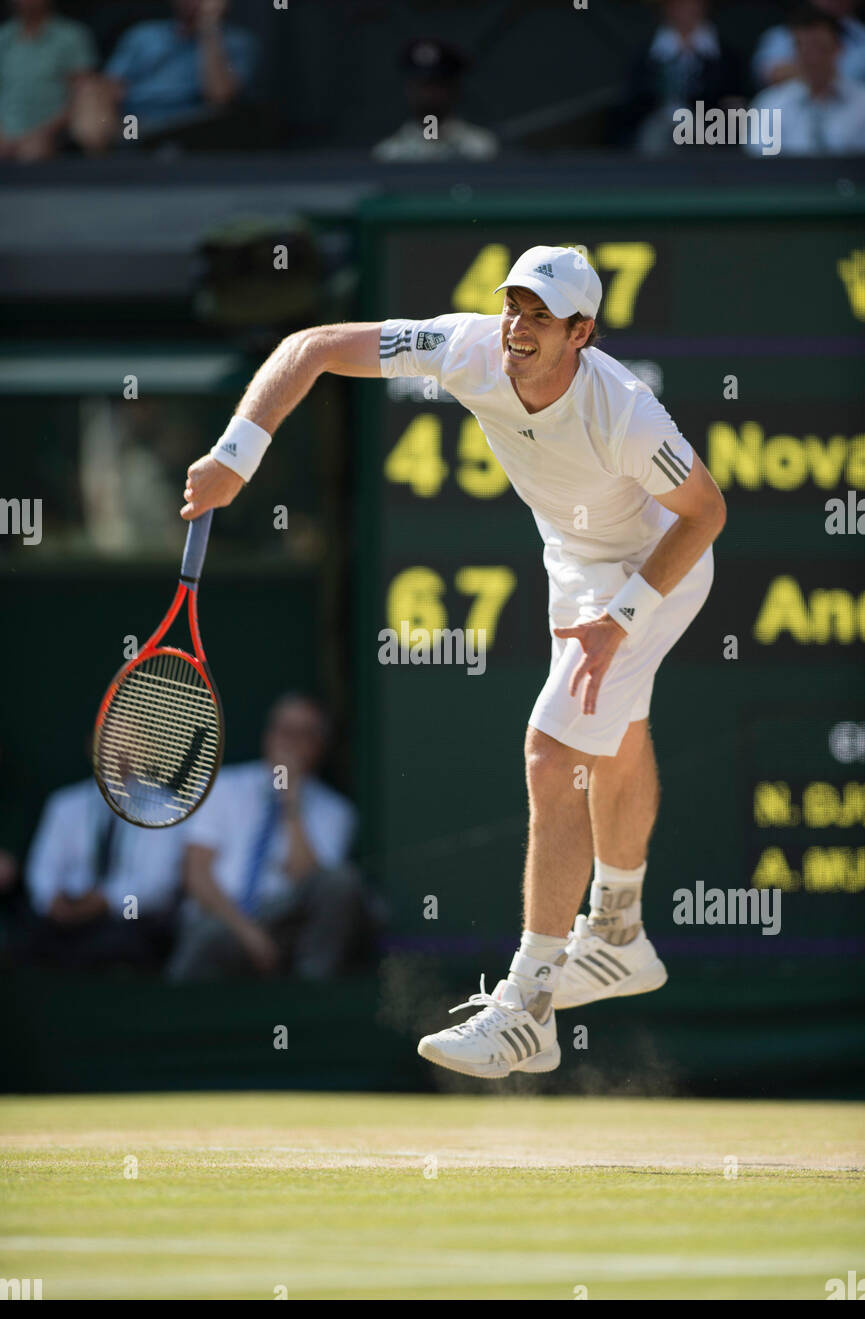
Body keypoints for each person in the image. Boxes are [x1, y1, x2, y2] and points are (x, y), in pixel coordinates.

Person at [178, 243, 725, 1078]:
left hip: (656, 567)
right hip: (573, 562)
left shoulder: (625, 412)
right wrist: (233, 455)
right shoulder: (465, 347)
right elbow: (314, 347)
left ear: (582, 331)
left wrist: (623, 615)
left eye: (541, 315)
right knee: (612, 731)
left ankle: (527, 1008)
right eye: (514, 306)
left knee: (551, 752)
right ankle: (617, 933)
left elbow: (705, 513)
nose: (518, 325)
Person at [167, 694, 372, 982]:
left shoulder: (336, 811)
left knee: (342, 882)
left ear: (320, 745)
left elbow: (314, 882)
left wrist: (291, 802)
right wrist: (248, 934)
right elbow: (197, 875)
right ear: (268, 735)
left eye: (303, 734)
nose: (289, 742)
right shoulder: (221, 786)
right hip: (223, 920)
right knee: (209, 936)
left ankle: (309, 1001)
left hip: (285, 926)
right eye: (283, 731)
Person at [22, 764, 185, 970]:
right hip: (68, 910)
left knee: (127, 927)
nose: (119, 753)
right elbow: (42, 870)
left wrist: (106, 901)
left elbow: (158, 885)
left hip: (129, 911)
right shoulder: (65, 803)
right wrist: (52, 901)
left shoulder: (166, 806)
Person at [73, 0, 257, 152]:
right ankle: (99, 171)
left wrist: (209, 28)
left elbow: (221, 96)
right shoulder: (143, 35)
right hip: (134, 121)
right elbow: (112, 85)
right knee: (89, 91)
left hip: (188, 124)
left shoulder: (237, 42)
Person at [617, 0, 743, 153]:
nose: (686, 9)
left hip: (706, 124)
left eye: (693, 4)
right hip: (657, 122)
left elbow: (730, 94)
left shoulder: (723, 53)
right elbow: (633, 97)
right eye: (678, 4)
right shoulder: (647, 53)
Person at [749, 7, 865, 156]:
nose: (812, 58)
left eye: (820, 47)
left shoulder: (862, 104)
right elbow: (756, 168)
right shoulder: (770, 105)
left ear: (838, 48)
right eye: (803, 48)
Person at [372, 37, 498, 162]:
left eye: (437, 85)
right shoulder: (390, 154)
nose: (428, 94)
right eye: (422, 85)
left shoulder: (481, 148)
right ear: (408, 89)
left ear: (454, 89)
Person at [0, 0, 96, 161]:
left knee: (32, 155)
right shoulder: (3, 37)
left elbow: (83, 96)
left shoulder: (71, 36)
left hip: (55, 130)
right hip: (6, 129)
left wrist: (45, 134)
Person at [752, 0, 865, 87]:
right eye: (802, 47)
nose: (814, 59)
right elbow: (775, 73)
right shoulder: (782, 34)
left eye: (823, 48)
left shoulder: (860, 35)